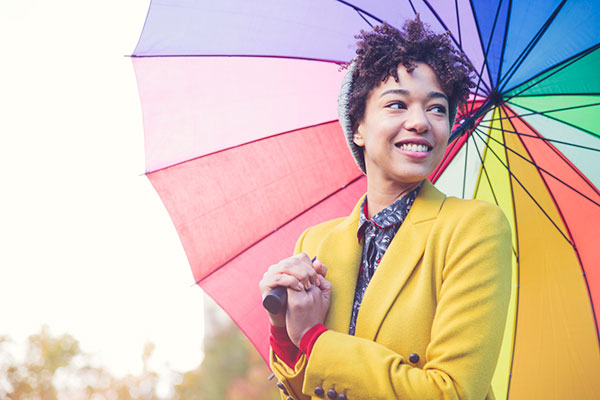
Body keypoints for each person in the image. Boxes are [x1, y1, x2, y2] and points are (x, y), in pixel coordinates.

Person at [259, 18, 511, 400]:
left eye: (437, 109)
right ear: (357, 126)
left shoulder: (473, 228)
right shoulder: (316, 242)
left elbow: (453, 393)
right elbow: (307, 390)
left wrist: (314, 337)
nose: (420, 122)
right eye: (397, 104)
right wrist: (284, 331)